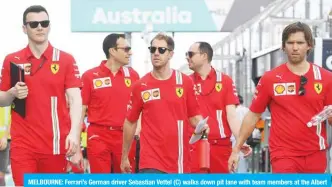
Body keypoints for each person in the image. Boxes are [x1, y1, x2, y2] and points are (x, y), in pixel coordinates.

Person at [229, 22, 332, 173]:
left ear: (309, 45)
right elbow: (253, 115)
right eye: (290, 43)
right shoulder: (270, 79)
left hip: (316, 153)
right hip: (283, 155)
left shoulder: (326, 78)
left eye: (300, 43)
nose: (295, 47)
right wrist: (236, 149)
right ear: (283, 47)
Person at [0, 5, 82, 185]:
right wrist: (12, 93)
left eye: (44, 23)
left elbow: (76, 99)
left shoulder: (66, 59)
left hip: (55, 145)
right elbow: (2, 99)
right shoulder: (12, 60)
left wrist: (75, 134)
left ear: (49, 26)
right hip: (23, 145)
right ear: (24, 28)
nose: (40, 27)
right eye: (34, 23)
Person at [121, 33, 209, 174]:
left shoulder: (185, 82)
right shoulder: (141, 85)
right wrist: (124, 156)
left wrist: (202, 125)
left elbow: (194, 116)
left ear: (171, 54)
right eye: (153, 49)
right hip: (150, 161)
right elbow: (130, 122)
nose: (156, 53)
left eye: (161, 50)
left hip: (179, 161)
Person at [187, 42, 251, 173]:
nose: (187, 58)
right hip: (193, 147)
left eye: (190, 54)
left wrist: (240, 142)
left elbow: (232, 117)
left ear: (204, 56)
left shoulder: (225, 81)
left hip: (220, 148)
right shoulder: (186, 82)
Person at [81, 33, 140, 173]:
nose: (130, 52)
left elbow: (140, 107)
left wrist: (139, 127)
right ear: (112, 51)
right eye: (126, 49)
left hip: (125, 137)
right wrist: (76, 141)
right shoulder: (90, 76)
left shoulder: (133, 76)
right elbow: (81, 109)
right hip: (98, 136)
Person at [0, 106, 11, 186]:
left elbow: (13, 119)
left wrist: (5, 137)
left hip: (5, 141)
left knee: (1, 175)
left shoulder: (9, 99)